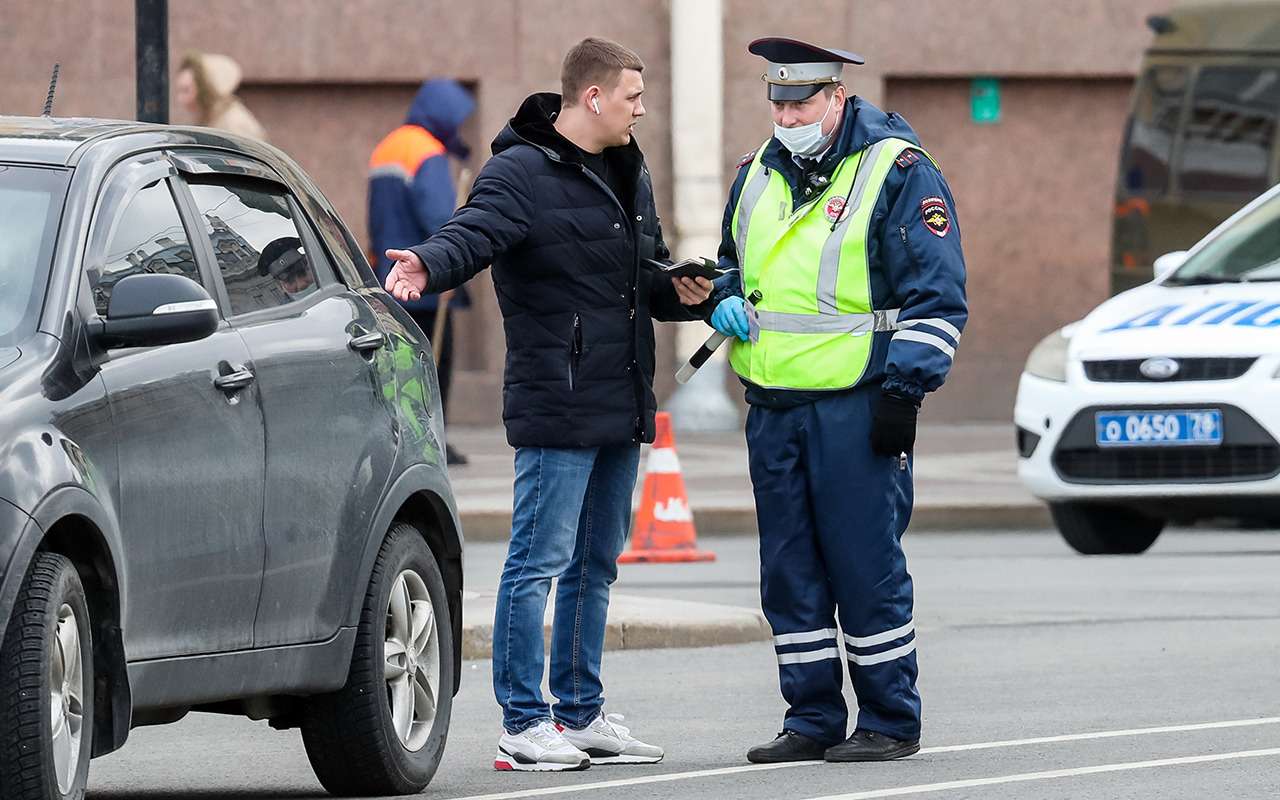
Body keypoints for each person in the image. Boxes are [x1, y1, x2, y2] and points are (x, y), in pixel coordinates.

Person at [383, 37, 713, 772]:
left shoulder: (629, 169)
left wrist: (689, 289)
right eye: (632, 95)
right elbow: (474, 233)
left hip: (621, 398)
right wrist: (427, 264)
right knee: (536, 563)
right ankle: (523, 723)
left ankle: (581, 712)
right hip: (557, 403)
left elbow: (645, 274)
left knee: (596, 566)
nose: (642, 107)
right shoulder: (520, 170)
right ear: (592, 97)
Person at [706, 38, 968, 764]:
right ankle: (812, 716)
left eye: (801, 102)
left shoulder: (898, 169)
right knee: (789, 572)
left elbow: (936, 296)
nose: (787, 115)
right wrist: (722, 298)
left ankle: (890, 718)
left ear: (836, 99)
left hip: (858, 404)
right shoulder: (755, 172)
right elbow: (732, 262)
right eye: (778, 102)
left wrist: (904, 394)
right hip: (774, 403)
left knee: (863, 565)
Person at [368, 79, 476, 465]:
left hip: (391, 274)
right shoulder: (426, 152)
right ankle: (433, 441)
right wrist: (448, 267)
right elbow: (439, 218)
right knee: (434, 362)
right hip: (425, 279)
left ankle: (404, 438)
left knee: (401, 364)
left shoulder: (388, 146)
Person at [174, 52, 267, 140]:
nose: (180, 99)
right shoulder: (211, 119)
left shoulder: (234, 123)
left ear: (205, 91)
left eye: (186, 91)